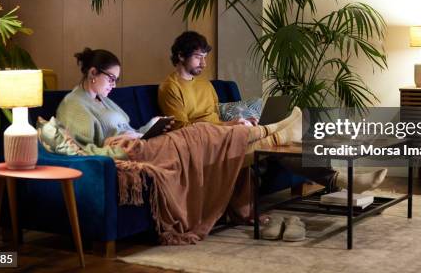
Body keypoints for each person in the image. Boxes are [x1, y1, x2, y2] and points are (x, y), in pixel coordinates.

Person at [55, 47, 304, 244]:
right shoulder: (73, 106)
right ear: (92, 73)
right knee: (200, 132)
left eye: (117, 80)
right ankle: (275, 132)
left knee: (203, 134)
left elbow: (129, 131)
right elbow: (85, 150)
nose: (114, 85)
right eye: (111, 78)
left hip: (144, 143)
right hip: (131, 152)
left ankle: (274, 133)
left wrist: (149, 127)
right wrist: (121, 143)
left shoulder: (103, 100)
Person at [158, 31, 388, 193]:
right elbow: (182, 130)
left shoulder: (205, 84)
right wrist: (229, 126)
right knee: (282, 134)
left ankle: (341, 179)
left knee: (277, 148)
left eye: (205, 57)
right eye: (198, 57)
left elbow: (215, 116)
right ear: (180, 55)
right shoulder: (170, 87)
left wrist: (239, 121)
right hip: (202, 142)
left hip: (225, 135)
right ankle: (287, 130)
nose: (204, 63)